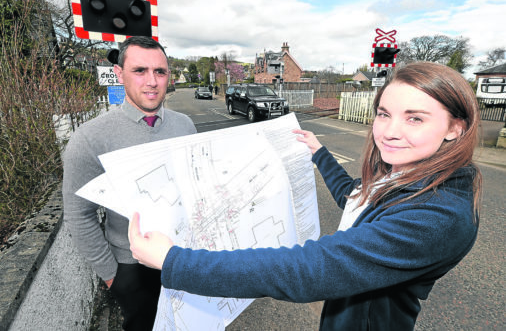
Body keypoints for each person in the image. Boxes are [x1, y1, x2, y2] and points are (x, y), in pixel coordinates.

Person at [128, 62, 482, 330]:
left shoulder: (440, 215)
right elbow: (355, 200)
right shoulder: (408, 172)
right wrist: (319, 153)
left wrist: (174, 260)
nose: (389, 132)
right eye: (384, 114)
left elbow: (310, 269)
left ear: (455, 127)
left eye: (415, 119)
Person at [63, 36, 197, 331]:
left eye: (160, 72)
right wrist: (113, 276)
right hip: (133, 270)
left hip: (184, 256)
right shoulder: (89, 138)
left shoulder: (185, 125)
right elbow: (78, 214)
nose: (152, 81)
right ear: (120, 74)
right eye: (140, 71)